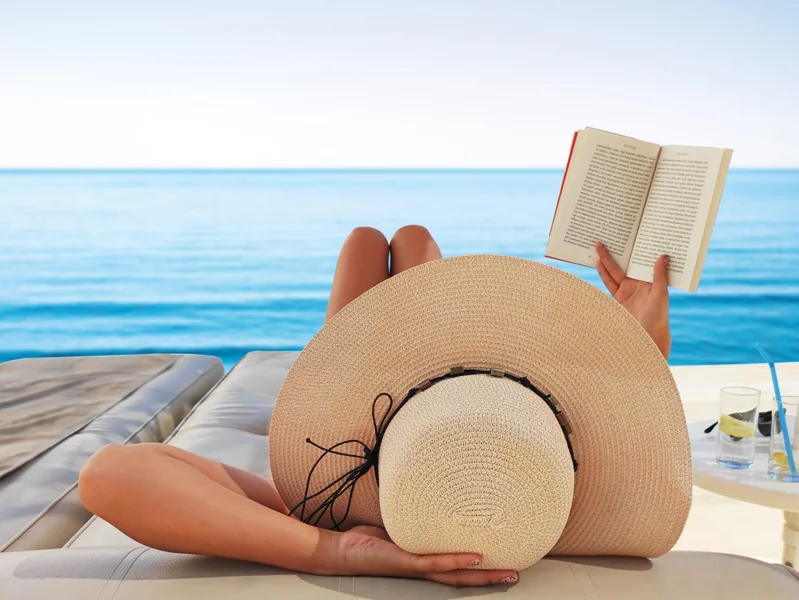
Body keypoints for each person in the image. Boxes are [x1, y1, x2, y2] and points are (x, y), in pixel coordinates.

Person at [78, 225, 671, 588]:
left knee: (369, 242)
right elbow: (634, 415)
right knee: (408, 241)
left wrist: (332, 551)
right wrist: (642, 334)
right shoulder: (537, 509)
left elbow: (108, 475)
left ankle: (410, 302)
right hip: (423, 437)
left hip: (377, 454)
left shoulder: (323, 517)